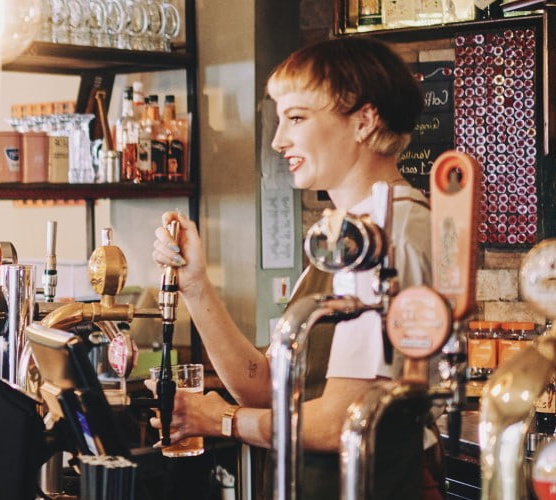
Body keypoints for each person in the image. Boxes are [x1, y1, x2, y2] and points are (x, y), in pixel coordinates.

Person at [150, 36, 436, 499]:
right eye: (279, 119)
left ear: (363, 121)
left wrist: (218, 419)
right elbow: (267, 389)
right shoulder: (348, 232)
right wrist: (196, 286)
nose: (279, 140)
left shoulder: (386, 233)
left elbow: (343, 419)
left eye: (297, 118)